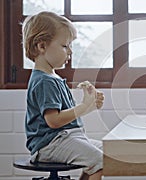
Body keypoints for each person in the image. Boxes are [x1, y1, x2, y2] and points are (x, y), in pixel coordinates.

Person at [22, 11, 104, 180]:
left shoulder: (53, 78)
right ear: (42, 46)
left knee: (107, 153)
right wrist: (82, 107)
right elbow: (54, 121)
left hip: (64, 138)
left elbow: (67, 117)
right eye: (65, 46)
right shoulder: (44, 81)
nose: (70, 52)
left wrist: (89, 105)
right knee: (100, 160)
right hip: (49, 144)